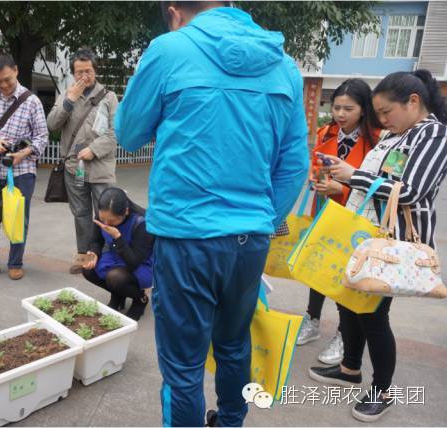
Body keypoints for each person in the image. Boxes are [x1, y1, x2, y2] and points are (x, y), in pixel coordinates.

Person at [115, 2, 309, 426]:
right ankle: (231, 421)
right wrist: (262, 220)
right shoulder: (285, 65)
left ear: (174, 13)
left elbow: (128, 134)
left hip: (186, 238)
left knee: (182, 365)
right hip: (249, 241)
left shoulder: (169, 49)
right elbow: (296, 165)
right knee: (234, 344)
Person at [309, 69, 447, 422]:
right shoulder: (395, 134)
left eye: (386, 112)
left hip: (390, 242)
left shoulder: (433, 134)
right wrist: (344, 176)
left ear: (413, 102)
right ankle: (350, 368)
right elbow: (379, 181)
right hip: (364, 233)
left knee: (373, 314)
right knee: (349, 301)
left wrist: (351, 175)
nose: (382, 120)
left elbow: (411, 191)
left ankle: (382, 390)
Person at [297, 79, 381, 365]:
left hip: (357, 219)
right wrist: (319, 182)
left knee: (347, 275)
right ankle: (312, 320)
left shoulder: (377, 142)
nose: (341, 114)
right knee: (318, 267)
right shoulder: (326, 133)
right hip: (325, 212)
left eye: (349, 108)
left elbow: (377, 186)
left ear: (364, 109)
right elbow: (318, 167)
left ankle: (345, 334)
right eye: (336, 108)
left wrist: (341, 189)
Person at [0, 52, 49, 282]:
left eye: (7, 79)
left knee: (18, 219)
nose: (3, 85)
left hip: (22, 171)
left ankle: (15, 263)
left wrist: (23, 153)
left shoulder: (31, 101)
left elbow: (42, 137)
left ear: (16, 71)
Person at [47, 48, 119, 275]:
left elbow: (116, 132)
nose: (84, 76)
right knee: (80, 213)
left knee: (106, 214)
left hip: (101, 168)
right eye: (79, 72)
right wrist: (69, 100)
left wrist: (94, 150)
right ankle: (84, 256)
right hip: (74, 168)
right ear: (73, 74)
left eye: (88, 71)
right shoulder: (66, 95)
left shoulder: (108, 97)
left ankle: (108, 257)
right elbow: (52, 125)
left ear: (95, 70)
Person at [81, 188, 153, 321]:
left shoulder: (142, 222)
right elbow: (96, 240)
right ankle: (118, 294)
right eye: (102, 218)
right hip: (116, 255)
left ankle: (140, 299)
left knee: (115, 278)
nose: (106, 224)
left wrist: (118, 237)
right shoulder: (103, 214)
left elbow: (133, 262)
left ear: (126, 212)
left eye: (112, 221)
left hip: (140, 263)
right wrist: (94, 252)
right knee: (86, 266)